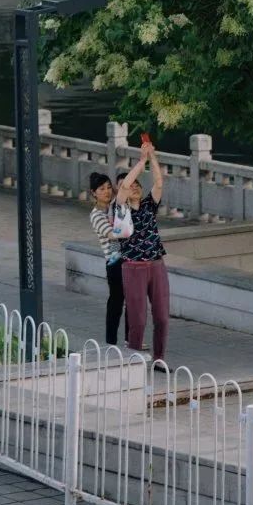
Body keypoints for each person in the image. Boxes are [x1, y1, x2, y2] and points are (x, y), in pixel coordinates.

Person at [116, 135, 170, 363]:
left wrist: (152, 156)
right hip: (134, 267)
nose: (134, 188)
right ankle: (134, 359)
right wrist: (141, 161)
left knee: (162, 317)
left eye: (138, 185)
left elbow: (158, 182)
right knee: (137, 319)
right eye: (131, 186)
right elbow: (126, 184)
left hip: (156, 264)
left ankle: (159, 358)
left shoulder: (149, 205)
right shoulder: (120, 210)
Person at [88, 170, 125, 347]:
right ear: (93, 193)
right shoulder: (96, 215)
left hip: (127, 259)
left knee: (132, 301)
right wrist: (128, 229)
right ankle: (111, 341)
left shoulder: (115, 207)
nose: (107, 191)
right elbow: (112, 235)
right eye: (101, 188)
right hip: (114, 263)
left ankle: (130, 340)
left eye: (109, 187)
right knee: (116, 304)